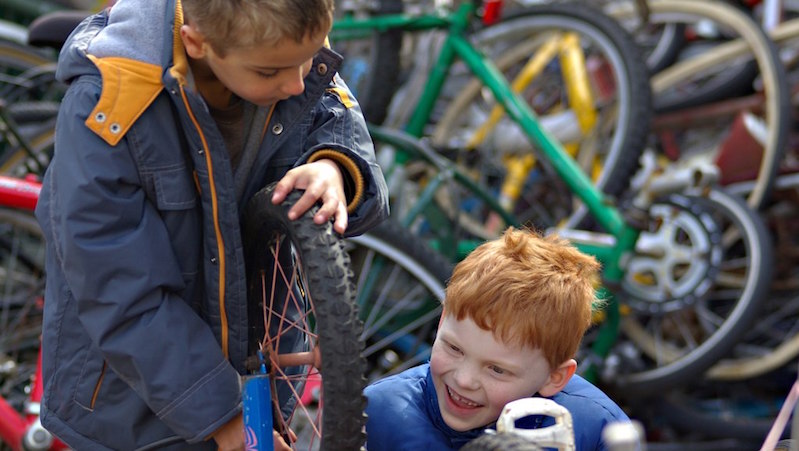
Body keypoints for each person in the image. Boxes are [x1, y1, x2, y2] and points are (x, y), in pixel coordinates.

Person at [34, 0, 389, 449]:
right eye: (270, 72)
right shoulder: (107, 107)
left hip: (261, 370)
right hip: (135, 406)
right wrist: (226, 420)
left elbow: (340, 129)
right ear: (197, 43)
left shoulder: (281, 48)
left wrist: (334, 167)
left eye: (311, 57)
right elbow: (120, 291)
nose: (297, 82)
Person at [364, 228, 630, 451]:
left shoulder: (597, 430)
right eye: (455, 348)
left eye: (497, 369)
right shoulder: (380, 412)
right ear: (443, 320)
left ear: (554, 377)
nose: (463, 380)